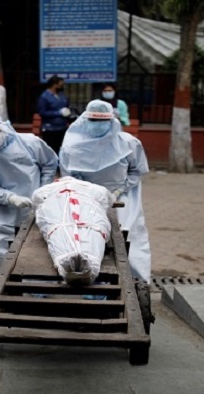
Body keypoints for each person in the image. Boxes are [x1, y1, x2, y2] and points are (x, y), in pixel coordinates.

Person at [59, 99, 151, 284]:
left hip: (122, 197)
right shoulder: (72, 145)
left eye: (102, 120)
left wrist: (119, 191)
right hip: (86, 198)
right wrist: (86, 192)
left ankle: (136, 281)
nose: (97, 124)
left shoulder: (128, 143)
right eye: (93, 120)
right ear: (85, 120)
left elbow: (137, 170)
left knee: (129, 236)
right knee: (87, 238)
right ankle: (90, 279)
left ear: (112, 120)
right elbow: (68, 175)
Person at [0, 113, 58, 284]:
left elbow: (50, 163)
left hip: (35, 204)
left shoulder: (30, 142)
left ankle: (38, 286)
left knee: (35, 246)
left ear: (4, 127)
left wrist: (42, 190)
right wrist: (10, 198)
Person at [36, 75, 70, 154]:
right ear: (54, 85)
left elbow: (66, 105)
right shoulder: (44, 97)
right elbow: (42, 112)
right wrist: (58, 113)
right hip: (50, 129)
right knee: (51, 151)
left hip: (62, 128)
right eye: (61, 85)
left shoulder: (61, 95)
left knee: (62, 150)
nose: (62, 86)